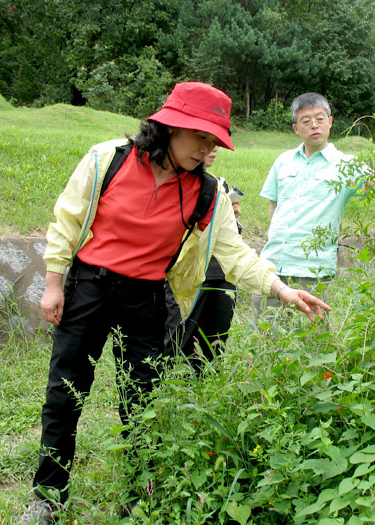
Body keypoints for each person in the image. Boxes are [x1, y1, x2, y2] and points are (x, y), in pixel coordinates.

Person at [21, 82, 330, 524]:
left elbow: (235, 254)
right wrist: (54, 285)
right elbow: (67, 220)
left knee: (142, 400)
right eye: (199, 136)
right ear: (169, 127)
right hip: (89, 286)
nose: (205, 148)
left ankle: (139, 493)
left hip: (147, 296)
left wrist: (281, 289)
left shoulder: (208, 192)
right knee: (65, 391)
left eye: (213, 141)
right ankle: (49, 496)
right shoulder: (107, 159)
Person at [252, 92, 361, 318]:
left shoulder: (347, 165)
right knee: (265, 340)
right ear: (295, 128)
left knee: (312, 342)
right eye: (306, 121)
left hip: (313, 270)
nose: (314, 125)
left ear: (330, 122)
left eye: (320, 119)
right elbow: (274, 207)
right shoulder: (283, 161)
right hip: (272, 267)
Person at [164, 145, 244, 371]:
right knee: (176, 340)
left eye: (215, 143)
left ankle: (204, 394)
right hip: (186, 276)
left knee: (212, 346)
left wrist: (231, 217)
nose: (211, 148)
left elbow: (232, 244)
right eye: (200, 140)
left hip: (221, 274)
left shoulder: (218, 186)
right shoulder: (171, 184)